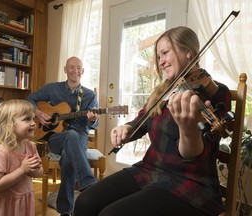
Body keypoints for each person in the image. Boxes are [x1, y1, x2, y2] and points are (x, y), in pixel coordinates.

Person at [73, 26, 231, 216]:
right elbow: (142, 120)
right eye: (158, 56)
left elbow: (196, 156)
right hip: (150, 168)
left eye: (165, 53)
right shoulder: (163, 91)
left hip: (189, 180)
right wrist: (126, 128)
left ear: (189, 52)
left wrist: (188, 131)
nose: (161, 61)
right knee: (84, 201)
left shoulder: (215, 92)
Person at [26, 56, 98, 216]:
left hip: (79, 139)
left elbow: (94, 125)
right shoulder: (53, 89)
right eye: (71, 67)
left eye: (79, 67)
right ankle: (89, 184)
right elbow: (30, 99)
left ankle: (65, 211)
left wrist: (92, 120)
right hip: (55, 138)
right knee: (68, 136)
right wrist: (37, 112)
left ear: (83, 71)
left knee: (68, 155)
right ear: (65, 70)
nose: (75, 70)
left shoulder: (89, 95)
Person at [0, 99, 43, 216]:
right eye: (27, 119)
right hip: (3, 207)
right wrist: (22, 170)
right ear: (8, 125)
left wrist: (33, 168)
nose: (33, 123)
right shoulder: (0, 151)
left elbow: (39, 173)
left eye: (33, 118)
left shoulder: (31, 146)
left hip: (23, 202)